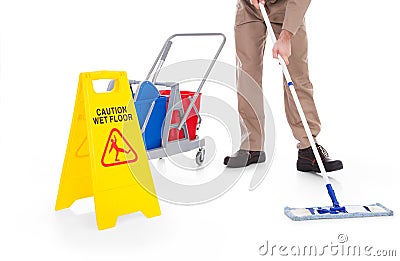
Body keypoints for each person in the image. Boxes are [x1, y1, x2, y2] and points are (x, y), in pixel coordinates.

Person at [224, 0, 343, 172]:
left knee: (297, 76)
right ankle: (252, 146)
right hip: (249, 9)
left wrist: (286, 35)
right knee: (247, 76)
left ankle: (308, 149)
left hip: (287, 8)